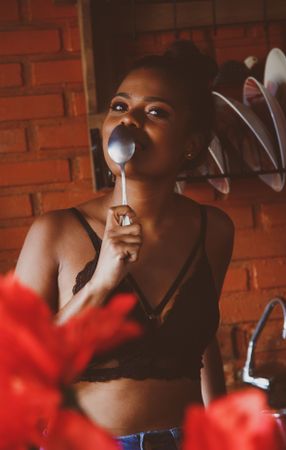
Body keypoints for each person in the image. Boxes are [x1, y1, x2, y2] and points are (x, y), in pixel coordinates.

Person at [15, 40, 234, 450]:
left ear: (191, 142)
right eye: (120, 106)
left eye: (155, 112)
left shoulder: (215, 230)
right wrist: (100, 283)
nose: (128, 121)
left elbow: (202, 339)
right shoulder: (56, 232)